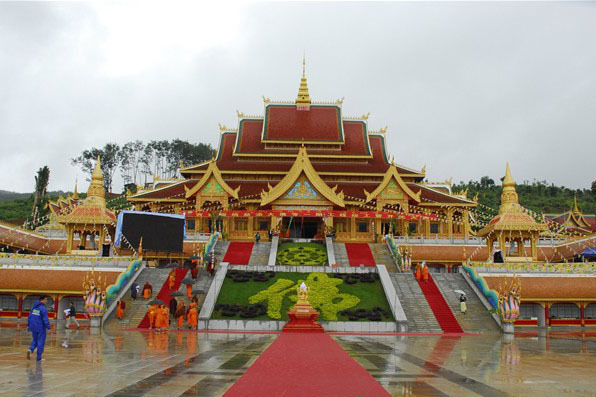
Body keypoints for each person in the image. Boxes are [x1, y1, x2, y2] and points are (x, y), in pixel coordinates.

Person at [27, 295, 51, 361]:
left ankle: (31, 349)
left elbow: (29, 317)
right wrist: (48, 327)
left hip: (33, 327)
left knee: (35, 340)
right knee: (40, 342)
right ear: (41, 300)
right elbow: (45, 319)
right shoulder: (43, 309)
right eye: (45, 299)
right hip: (40, 327)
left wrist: (28, 325)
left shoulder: (34, 308)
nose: (46, 301)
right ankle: (39, 358)